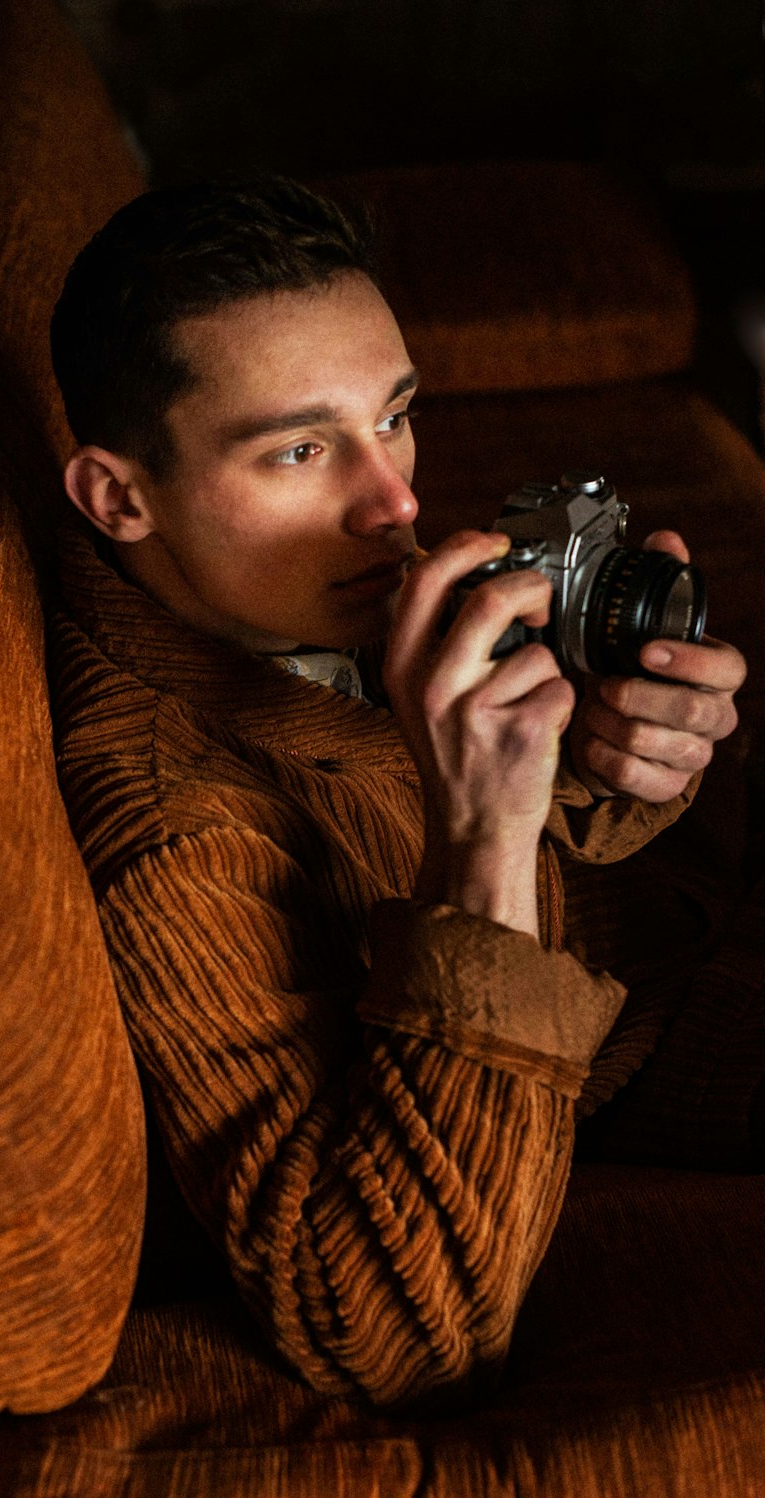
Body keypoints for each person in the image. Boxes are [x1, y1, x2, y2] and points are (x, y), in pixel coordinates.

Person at [47, 175, 747, 1407]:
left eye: (397, 416)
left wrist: (616, 759)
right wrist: (486, 841)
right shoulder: (176, 834)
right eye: (301, 449)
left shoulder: (280, 591)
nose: (397, 503)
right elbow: (390, 1320)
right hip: (656, 1055)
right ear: (118, 495)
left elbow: (398, 786)